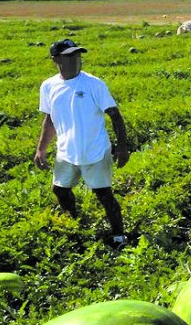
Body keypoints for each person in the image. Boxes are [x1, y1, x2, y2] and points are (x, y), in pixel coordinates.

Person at [34, 39, 129, 247]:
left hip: (94, 150)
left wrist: (122, 147)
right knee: (60, 189)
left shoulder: (94, 84)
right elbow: (49, 119)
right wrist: (41, 149)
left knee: (103, 194)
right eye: (70, 56)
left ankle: (119, 236)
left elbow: (115, 115)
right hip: (66, 150)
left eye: (78, 55)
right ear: (56, 59)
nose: (76, 59)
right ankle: (74, 222)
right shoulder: (49, 86)